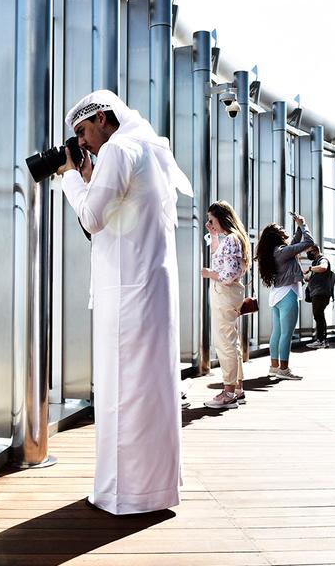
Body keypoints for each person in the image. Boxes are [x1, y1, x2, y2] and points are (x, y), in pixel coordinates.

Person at [57, 90, 193, 515]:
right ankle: (155, 487)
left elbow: (93, 218)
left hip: (127, 295)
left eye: (83, 131)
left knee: (122, 391)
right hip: (153, 292)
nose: (82, 143)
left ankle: (123, 494)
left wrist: (70, 177)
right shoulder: (149, 148)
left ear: (102, 117)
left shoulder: (118, 149)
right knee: (152, 390)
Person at [201, 201, 250, 409]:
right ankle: (237, 389)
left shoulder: (231, 239)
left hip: (224, 293)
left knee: (224, 343)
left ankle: (228, 392)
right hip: (230, 294)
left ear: (221, 218)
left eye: (212, 220)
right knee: (232, 341)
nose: (209, 224)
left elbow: (226, 274)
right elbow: (220, 259)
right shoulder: (234, 238)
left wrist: (209, 274)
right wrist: (213, 235)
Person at [255, 213, 314, 380]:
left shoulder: (275, 252)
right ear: (277, 236)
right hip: (288, 295)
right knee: (286, 334)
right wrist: (304, 225)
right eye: (281, 229)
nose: (283, 229)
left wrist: (298, 227)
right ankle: (284, 370)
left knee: (278, 333)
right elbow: (308, 243)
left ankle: (274, 367)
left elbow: (294, 244)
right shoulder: (282, 252)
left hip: (277, 296)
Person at [304, 245, 333, 349]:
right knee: (319, 316)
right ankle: (322, 340)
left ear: (315, 251)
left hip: (320, 293)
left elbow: (323, 268)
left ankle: (321, 340)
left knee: (318, 315)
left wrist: (310, 269)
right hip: (317, 293)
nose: (308, 254)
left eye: (309, 252)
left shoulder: (322, 260)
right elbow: (312, 277)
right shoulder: (315, 262)